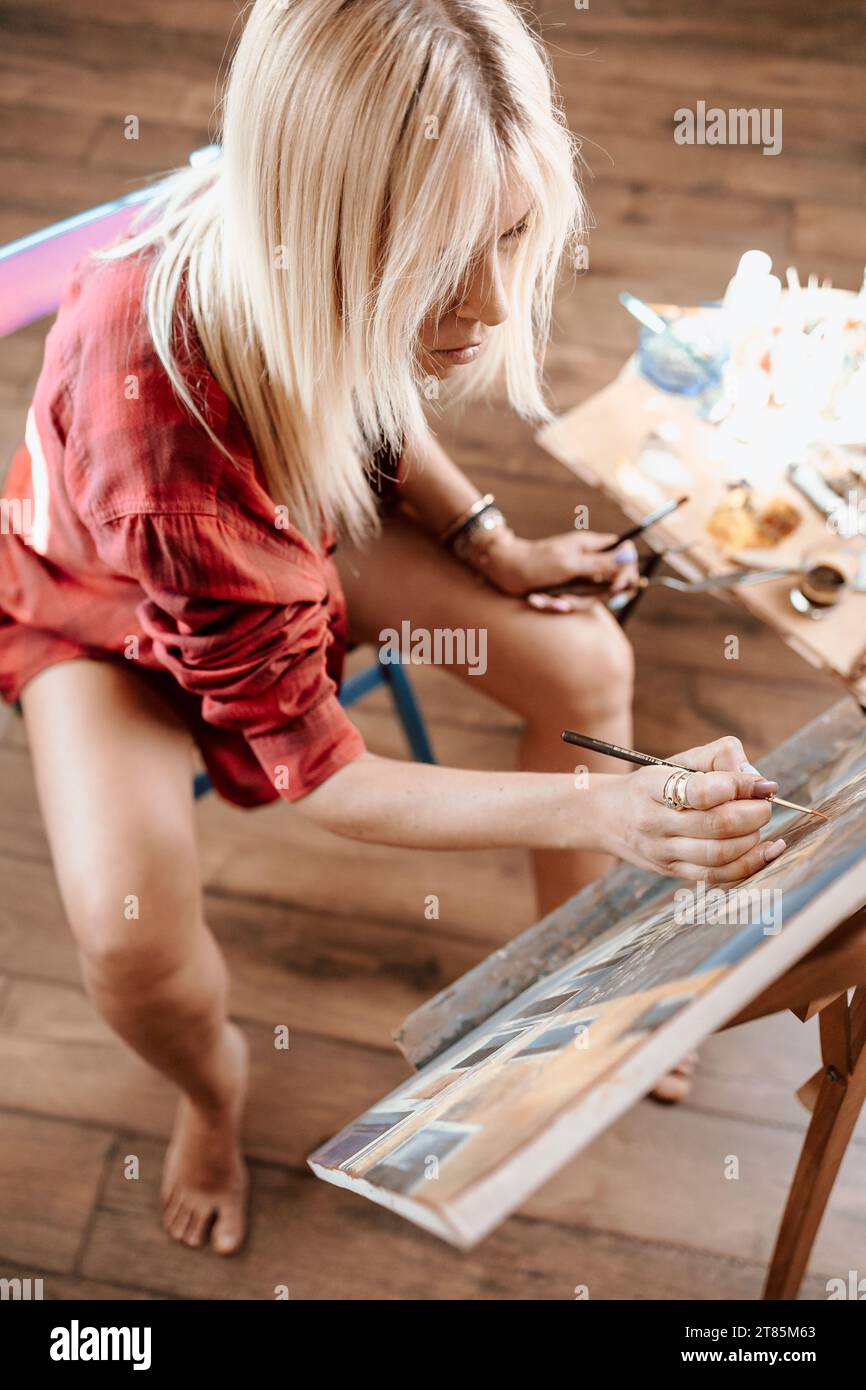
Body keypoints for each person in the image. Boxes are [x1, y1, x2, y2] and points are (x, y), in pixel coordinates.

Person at [0, 0, 785, 1254]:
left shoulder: (294, 249)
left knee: (587, 659)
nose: (480, 309)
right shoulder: (153, 436)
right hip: (111, 617)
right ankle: (212, 1094)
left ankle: (573, 987)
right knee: (125, 944)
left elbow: (359, 384)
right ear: (319, 238)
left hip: (287, 526)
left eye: (507, 235)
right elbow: (314, 775)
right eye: (434, 265)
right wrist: (605, 810)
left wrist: (490, 543)